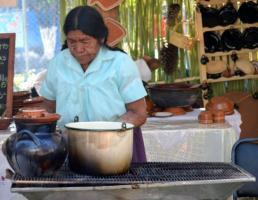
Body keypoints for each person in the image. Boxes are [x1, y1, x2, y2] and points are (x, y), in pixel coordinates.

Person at [39, 6, 147, 162]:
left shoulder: (120, 63)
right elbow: (47, 109)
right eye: (72, 42)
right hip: (71, 148)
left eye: (85, 41)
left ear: (101, 38)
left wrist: (102, 134)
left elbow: (138, 113)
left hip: (118, 148)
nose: (78, 49)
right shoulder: (58, 63)